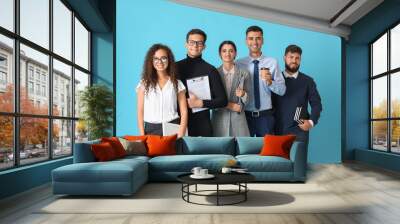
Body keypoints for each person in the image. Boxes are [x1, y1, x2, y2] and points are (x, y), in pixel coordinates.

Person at [176, 29, 227, 136]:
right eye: (192, 42)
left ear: (204, 46)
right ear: (186, 44)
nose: (195, 46)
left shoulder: (210, 70)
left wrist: (200, 103)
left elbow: (222, 101)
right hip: (177, 123)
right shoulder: (174, 67)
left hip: (202, 125)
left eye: (199, 43)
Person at [237, 25, 286, 136]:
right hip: (245, 116)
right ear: (246, 41)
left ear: (262, 40)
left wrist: (270, 82)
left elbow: (282, 90)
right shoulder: (239, 64)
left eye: (258, 38)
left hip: (266, 117)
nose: (255, 42)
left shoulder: (272, 62)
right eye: (251, 38)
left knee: (266, 152)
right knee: (245, 151)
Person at [273, 44, 322, 144]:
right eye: (291, 57)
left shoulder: (308, 81)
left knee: (298, 159)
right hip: (275, 129)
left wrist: (311, 122)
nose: (294, 61)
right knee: (276, 160)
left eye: (297, 58)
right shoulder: (275, 80)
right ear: (284, 58)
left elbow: (317, 104)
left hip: (298, 130)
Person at [136, 44, 188, 137]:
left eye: (163, 58)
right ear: (151, 61)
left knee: (175, 151)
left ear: (169, 60)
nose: (160, 62)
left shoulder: (177, 83)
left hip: (173, 127)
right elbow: (140, 111)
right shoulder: (144, 83)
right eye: (156, 59)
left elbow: (184, 111)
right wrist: (142, 134)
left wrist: (181, 133)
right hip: (151, 130)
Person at [212, 41, 250, 137]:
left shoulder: (244, 73)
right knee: (219, 150)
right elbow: (212, 101)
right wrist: (230, 105)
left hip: (238, 121)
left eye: (231, 51)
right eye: (224, 51)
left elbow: (249, 99)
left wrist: (243, 95)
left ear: (235, 53)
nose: (227, 54)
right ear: (220, 54)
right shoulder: (213, 73)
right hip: (219, 121)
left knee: (240, 150)